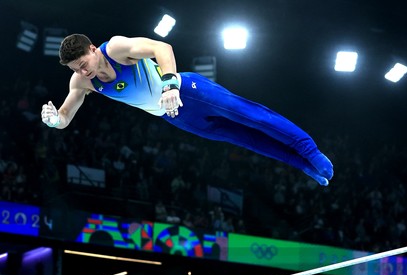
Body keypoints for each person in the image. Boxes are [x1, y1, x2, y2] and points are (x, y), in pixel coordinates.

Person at [40, 34, 334, 186]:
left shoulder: (115, 49)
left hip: (188, 92)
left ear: (91, 49)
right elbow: (66, 115)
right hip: (176, 116)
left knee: (252, 116)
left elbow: (162, 48)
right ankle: (303, 166)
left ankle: (309, 150)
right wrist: (56, 120)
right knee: (244, 138)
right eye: (75, 69)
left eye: (83, 64)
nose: (83, 71)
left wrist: (169, 85)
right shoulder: (81, 81)